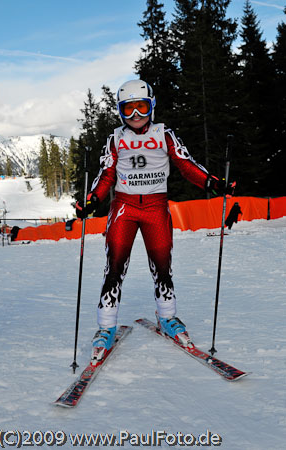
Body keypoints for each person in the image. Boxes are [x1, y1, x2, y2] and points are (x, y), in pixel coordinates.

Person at [76, 79, 233, 364]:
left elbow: (186, 165)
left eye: (141, 107)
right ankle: (106, 327)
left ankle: (168, 319)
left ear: (152, 106)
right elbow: (107, 175)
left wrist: (211, 182)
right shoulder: (115, 139)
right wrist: (92, 200)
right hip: (123, 207)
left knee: (162, 264)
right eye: (128, 109)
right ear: (120, 112)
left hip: (155, 207)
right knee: (115, 266)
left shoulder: (165, 135)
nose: (136, 115)